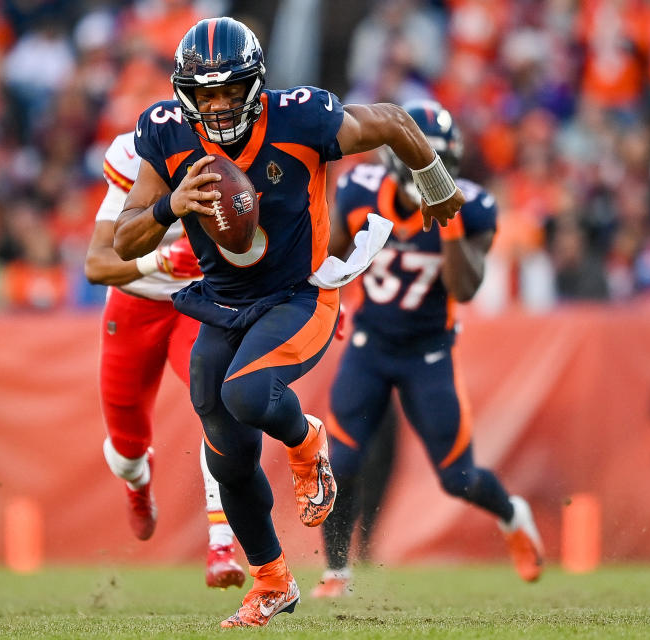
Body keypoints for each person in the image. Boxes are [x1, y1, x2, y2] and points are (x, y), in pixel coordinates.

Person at [112, 17, 464, 628]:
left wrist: (434, 184)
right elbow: (123, 240)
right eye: (204, 94)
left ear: (254, 86)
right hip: (222, 302)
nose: (216, 106)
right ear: (184, 94)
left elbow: (393, 121)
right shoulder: (167, 134)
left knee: (247, 392)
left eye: (227, 91)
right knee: (226, 455)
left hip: (299, 296)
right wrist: (173, 203)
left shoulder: (301, 118)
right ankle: (272, 581)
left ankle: (308, 443)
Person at [312, 100, 544, 599]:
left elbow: (463, 289)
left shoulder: (475, 206)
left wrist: (451, 221)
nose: (436, 171)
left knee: (458, 477)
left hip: (428, 352)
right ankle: (337, 572)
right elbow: (329, 256)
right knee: (342, 462)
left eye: (441, 162)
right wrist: (321, 309)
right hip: (370, 344)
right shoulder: (359, 191)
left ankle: (512, 515)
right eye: (427, 161)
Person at [84, 131, 245, 589]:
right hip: (134, 306)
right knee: (125, 449)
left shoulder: (235, 152)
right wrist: (159, 263)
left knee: (219, 406)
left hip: (195, 303)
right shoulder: (135, 160)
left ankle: (221, 542)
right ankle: (138, 479)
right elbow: (96, 265)